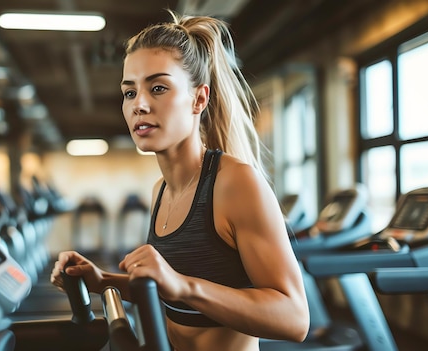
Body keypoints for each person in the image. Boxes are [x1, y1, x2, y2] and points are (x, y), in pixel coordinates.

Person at [51, 11, 309, 351]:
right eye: (130, 93)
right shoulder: (161, 190)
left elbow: (295, 318)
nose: (139, 105)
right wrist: (101, 281)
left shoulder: (234, 184)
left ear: (198, 99)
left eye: (158, 88)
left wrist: (184, 286)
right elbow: (168, 289)